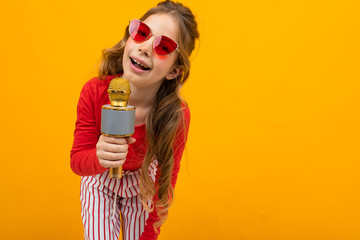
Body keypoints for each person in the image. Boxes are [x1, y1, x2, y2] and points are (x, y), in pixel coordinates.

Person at [70, 1, 199, 239]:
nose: (145, 48)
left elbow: (165, 182)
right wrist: (99, 157)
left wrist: (149, 233)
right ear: (129, 38)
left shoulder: (176, 115)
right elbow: (78, 161)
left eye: (164, 46)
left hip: (142, 186)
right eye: (142, 33)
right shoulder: (94, 92)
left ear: (174, 71)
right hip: (99, 181)